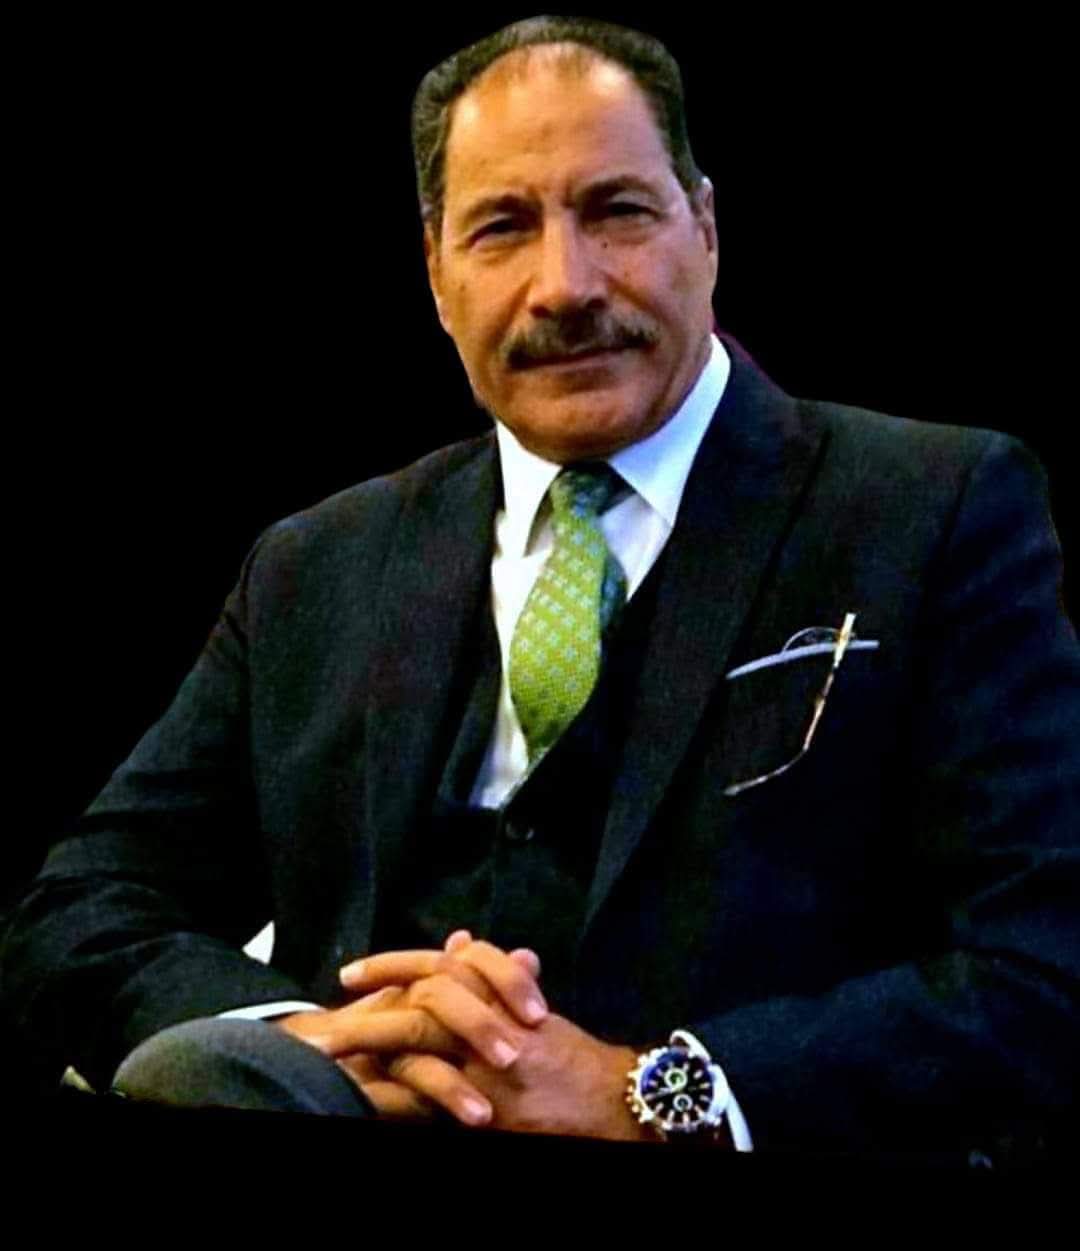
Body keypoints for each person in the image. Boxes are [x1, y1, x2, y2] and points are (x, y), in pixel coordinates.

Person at [3, 15, 1078, 1157]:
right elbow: (77, 912)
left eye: (617, 211)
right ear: (437, 273)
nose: (564, 285)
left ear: (707, 228)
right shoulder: (316, 564)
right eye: (503, 227)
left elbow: (1037, 967)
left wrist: (652, 1094)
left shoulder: (936, 508)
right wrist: (310, 1048)